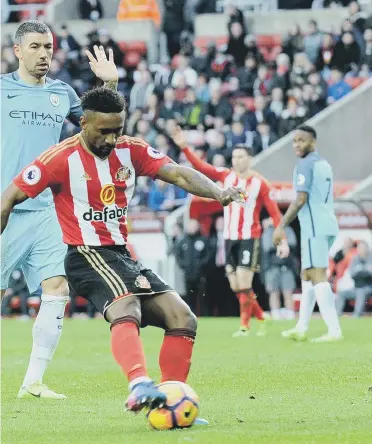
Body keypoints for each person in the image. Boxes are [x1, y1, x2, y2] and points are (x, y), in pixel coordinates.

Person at [1, 87, 246, 413]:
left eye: (118, 130)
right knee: (125, 304)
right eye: (105, 131)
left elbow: (177, 173)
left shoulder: (132, 150)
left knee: (182, 317)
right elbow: (9, 197)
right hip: (85, 254)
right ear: (83, 122)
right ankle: (138, 383)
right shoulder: (59, 158)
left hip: (120, 255)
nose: (113, 139)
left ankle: (167, 404)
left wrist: (218, 192)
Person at [0, 20, 118, 400]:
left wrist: (109, 86)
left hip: (47, 211)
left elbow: (96, 130)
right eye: (35, 47)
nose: (43, 54)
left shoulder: (62, 93)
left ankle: (33, 381)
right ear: (17, 50)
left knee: (57, 288)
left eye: (48, 47)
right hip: (6, 207)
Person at [173, 127, 289, 337]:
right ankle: (262, 317)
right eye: (234, 156)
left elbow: (274, 213)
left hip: (248, 238)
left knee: (244, 284)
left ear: (250, 159)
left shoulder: (259, 183)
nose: (236, 160)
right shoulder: (226, 176)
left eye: (241, 156)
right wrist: (185, 148)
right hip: (228, 239)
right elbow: (202, 167)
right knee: (236, 286)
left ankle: (245, 326)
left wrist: (282, 240)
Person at [273, 125, 343, 343]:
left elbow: (300, 199)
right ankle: (301, 326)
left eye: (301, 141)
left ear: (313, 141)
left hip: (314, 226)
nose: (296, 145)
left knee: (317, 275)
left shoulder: (305, 164)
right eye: (294, 141)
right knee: (306, 276)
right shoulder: (324, 163)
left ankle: (334, 331)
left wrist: (281, 225)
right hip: (327, 222)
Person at [261, 218, 297, 320]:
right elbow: (267, 246)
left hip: (287, 266)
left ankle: (290, 316)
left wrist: (277, 243)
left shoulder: (288, 229)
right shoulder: (268, 231)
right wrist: (283, 243)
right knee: (273, 292)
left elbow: (293, 243)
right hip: (272, 267)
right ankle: (276, 315)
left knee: (288, 292)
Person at [174, 219, 211, 314]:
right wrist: (184, 265)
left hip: (201, 274)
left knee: (203, 297)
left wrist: (202, 265)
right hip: (188, 274)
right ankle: (191, 315)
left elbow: (208, 255)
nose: (192, 228)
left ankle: (205, 315)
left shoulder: (203, 240)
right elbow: (178, 255)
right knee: (190, 297)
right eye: (191, 226)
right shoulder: (183, 241)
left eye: (194, 226)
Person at [336, 241, 372, 317]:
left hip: (369, 287)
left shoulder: (370, 257)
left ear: (367, 248)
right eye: (360, 248)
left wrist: (359, 271)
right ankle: (336, 315)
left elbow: (370, 274)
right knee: (341, 293)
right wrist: (364, 271)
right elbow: (352, 274)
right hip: (356, 287)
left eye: (363, 247)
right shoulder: (355, 258)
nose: (361, 249)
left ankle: (356, 315)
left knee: (361, 291)